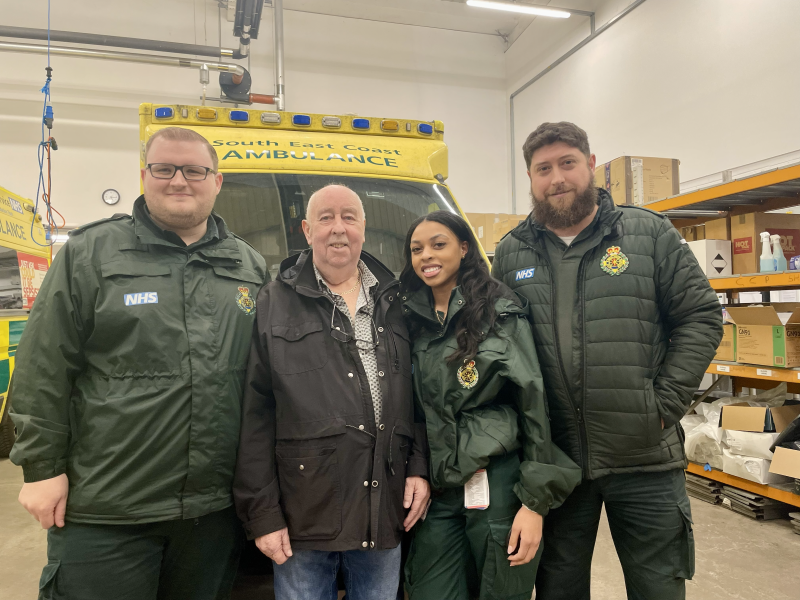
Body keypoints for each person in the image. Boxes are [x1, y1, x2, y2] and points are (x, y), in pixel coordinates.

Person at [10, 126, 268, 600]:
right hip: (108, 506)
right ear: (144, 176)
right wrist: (42, 468)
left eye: (194, 171)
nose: (179, 181)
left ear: (216, 181)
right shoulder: (90, 253)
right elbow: (43, 364)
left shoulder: (248, 266)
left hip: (212, 513)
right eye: (164, 169)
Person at [492, 121, 723, 600]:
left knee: (658, 588)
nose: (557, 178)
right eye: (543, 169)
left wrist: (663, 405)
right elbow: (501, 348)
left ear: (591, 165)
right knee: (558, 588)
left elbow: (700, 317)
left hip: (644, 458)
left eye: (568, 163)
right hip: (556, 462)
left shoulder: (648, 233)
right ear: (530, 178)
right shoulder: (512, 253)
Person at [233, 184, 431, 600]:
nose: (338, 228)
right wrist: (263, 513)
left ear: (363, 228)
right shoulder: (274, 301)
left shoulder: (395, 299)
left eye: (348, 217)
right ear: (307, 230)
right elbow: (256, 414)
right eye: (326, 218)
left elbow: (415, 398)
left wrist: (417, 466)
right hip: (304, 513)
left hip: (383, 505)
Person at [399, 211, 581, 600]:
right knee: (430, 589)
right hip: (439, 483)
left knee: (501, 590)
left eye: (438, 244)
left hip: (496, 479)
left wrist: (533, 505)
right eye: (417, 249)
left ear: (464, 248)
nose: (426, 255)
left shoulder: (498, 313)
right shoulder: (408, 319)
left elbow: (533, 403)